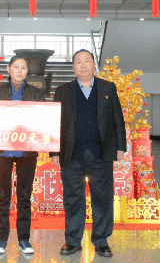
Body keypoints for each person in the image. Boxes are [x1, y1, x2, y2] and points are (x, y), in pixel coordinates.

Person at [50, 49, 126, 258]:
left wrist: (120, 147)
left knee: (102, 197)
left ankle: (101, 241)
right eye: (78, 62)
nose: (83, 65)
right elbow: (55, 122)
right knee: (73, 198)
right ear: (73, 67)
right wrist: (54, 151)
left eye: (87, 61)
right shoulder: (63, 90)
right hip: (71, 153)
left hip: (101, 153)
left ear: (94, 64)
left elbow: (117, 119)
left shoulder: (107, 87)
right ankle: (72, 241)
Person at [0, 55, 46, 256]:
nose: (19, 70)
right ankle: (1, 238)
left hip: (27, 151)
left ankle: (24, 239)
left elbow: (44, 117)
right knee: (3, 196)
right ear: (8, 69)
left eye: (23, 67)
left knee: (24, 196)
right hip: (2, 150)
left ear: (27, 71)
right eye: (16, 67)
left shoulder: (36, 93)